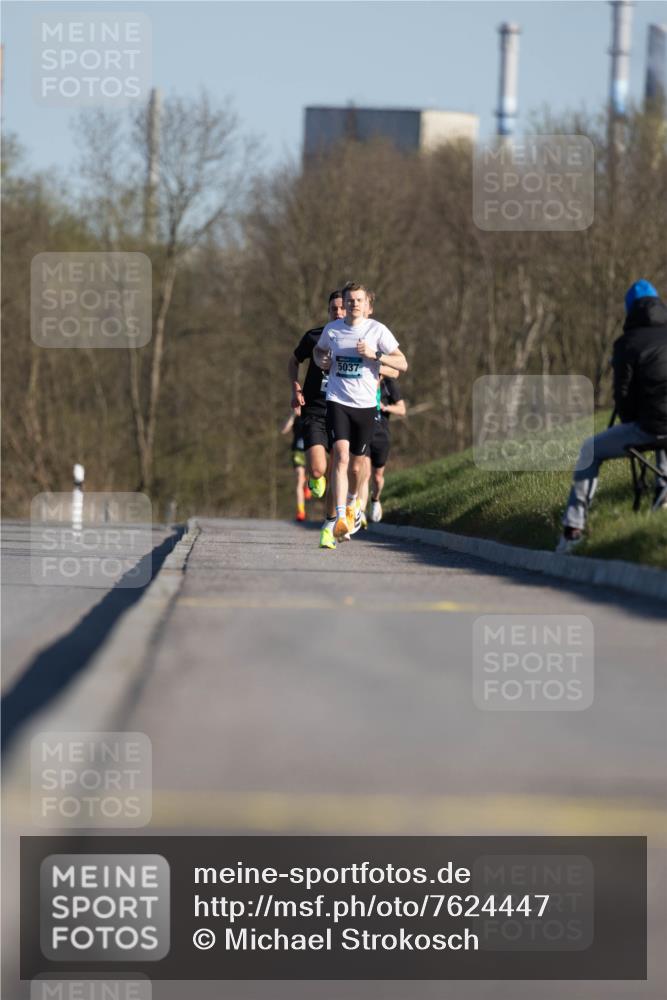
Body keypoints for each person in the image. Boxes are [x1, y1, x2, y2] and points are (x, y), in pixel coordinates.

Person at [557, 279, 667, 552]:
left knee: (589, 450)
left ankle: (573, 529)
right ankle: (663, 495)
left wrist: (631, 420)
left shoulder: (626, 344)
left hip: (649, 428)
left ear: (629, 310)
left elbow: (623, 398)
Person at [314, 283, 408, 542]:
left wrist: (375, 354)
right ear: (344, 303)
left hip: (365, 406)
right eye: (350, 300)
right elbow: (319, 350)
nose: (353, 304)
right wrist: (319, 358)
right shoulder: (332, 330)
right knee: (340, 457)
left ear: (367, 305)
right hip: (337, 401)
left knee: (356, 469)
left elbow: (402, 363)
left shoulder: (377, 330)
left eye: (358, 300)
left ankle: (354, 502)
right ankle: (341, 517)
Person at [288, 290, 345, 548]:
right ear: (329, 311)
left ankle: (329, 524)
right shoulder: (314, 336)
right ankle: (314, 476)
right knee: (319, 469)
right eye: (334, 308)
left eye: (343, 308)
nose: (339, 312)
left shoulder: (357, 340)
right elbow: (293, 360)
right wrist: (295, 388)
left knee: (338, 469)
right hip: (315, 410)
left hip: (342, 408)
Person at [358, 375, 406, 526]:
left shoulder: (388, 383)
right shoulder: (362, 378)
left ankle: (375, 499)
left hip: (382, 436)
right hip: (364, 433)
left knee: (377, 478)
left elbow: (402, 409)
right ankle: (360, 512)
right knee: (364, 475)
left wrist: (385, 407)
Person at [280, 412, 309, 521]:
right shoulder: (295, 417)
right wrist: (292, 415)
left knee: (314, 472)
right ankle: (301, 511)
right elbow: (283, 430)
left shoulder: (311, 413)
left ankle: (308, 484)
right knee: (299, 479)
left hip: (310, 451)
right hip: (298, 452)